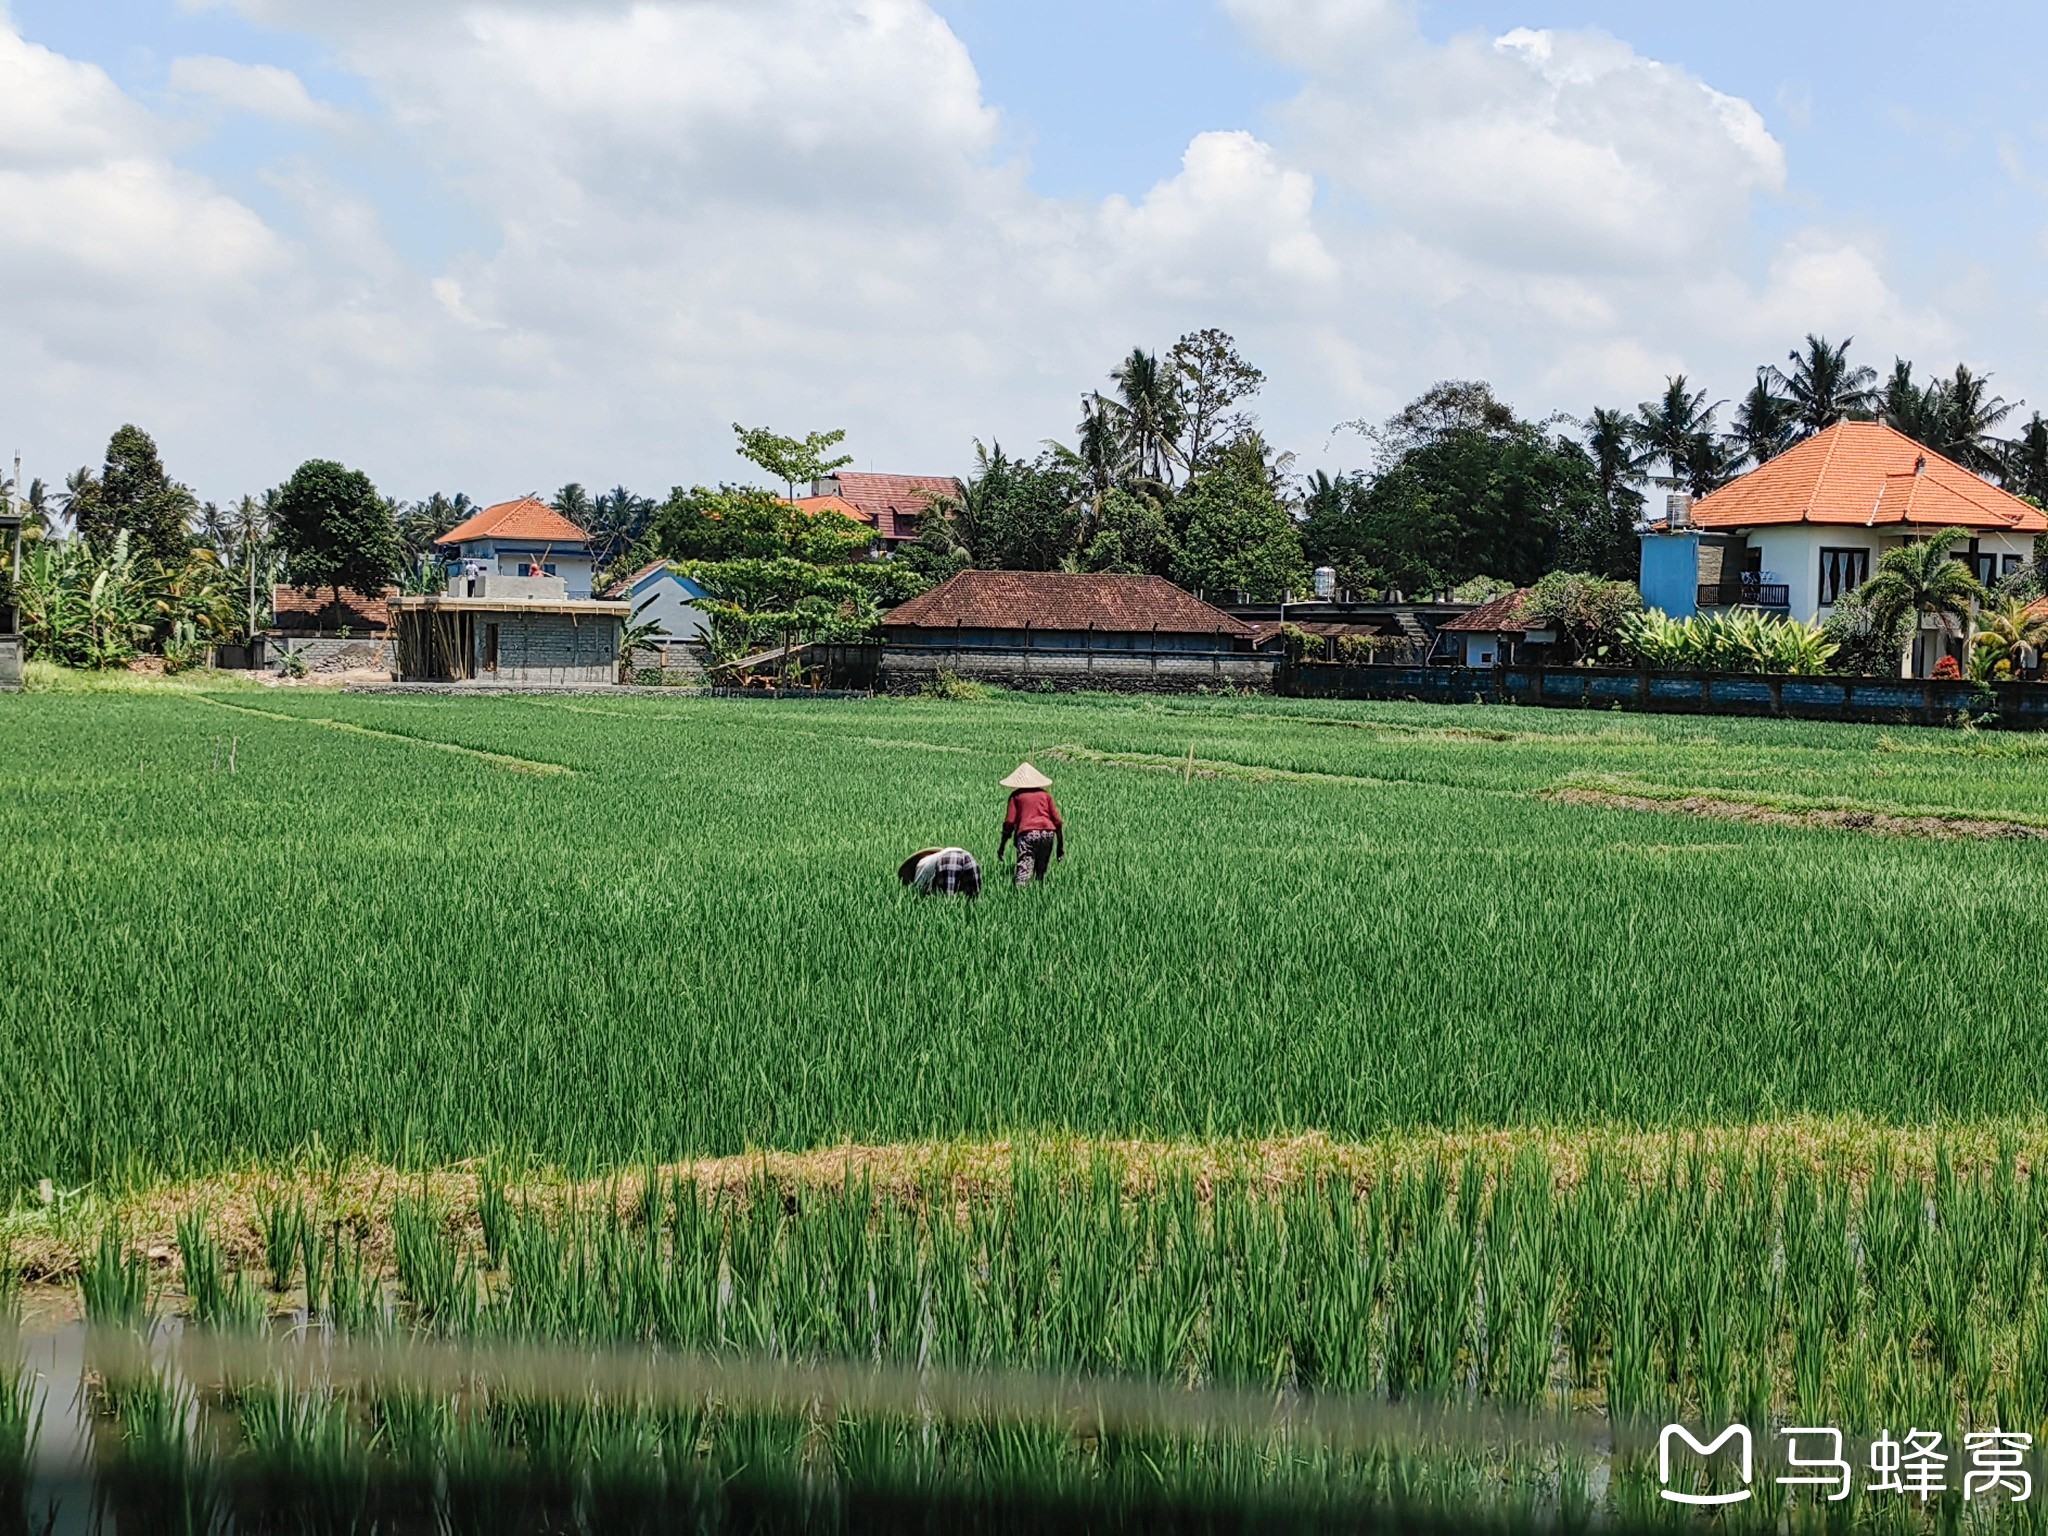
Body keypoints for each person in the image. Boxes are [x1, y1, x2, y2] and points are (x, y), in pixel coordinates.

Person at [997, 763, 1064, 886]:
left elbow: (1009, 822)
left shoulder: (1016, 796)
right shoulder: (1045, 795)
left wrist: (1002, 845)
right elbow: (1057, 821)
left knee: (1024, 873)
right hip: (1047, 834)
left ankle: (1020, 899)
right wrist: (1060, 845)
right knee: (1041, 873)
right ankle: (1040, 896)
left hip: (1027, 834)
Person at [897, 846, 982, 896]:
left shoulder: (919, 870)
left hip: (948, 858)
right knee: (974, 898)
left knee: (948, 900)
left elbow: (921, 895)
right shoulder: (929, 860)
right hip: (967, 854)